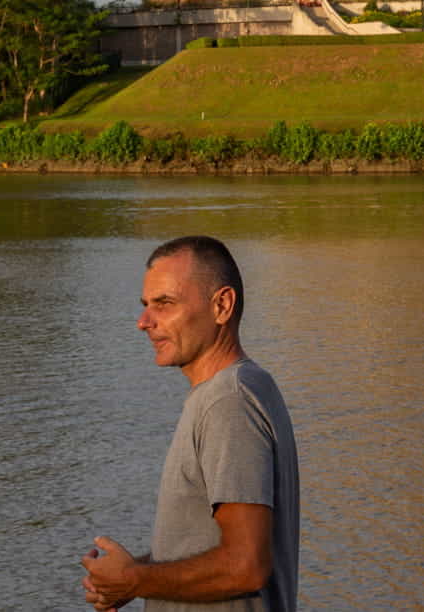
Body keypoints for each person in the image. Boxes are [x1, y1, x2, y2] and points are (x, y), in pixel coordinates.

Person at [81, 236, 299, 611]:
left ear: (222, 305)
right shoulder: (245, 386)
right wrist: (134, 576)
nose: (144, 322)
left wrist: (134, 579)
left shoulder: (228, 401)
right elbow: (207, 550)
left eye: (164, 304)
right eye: (146, 306)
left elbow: (246, 566)